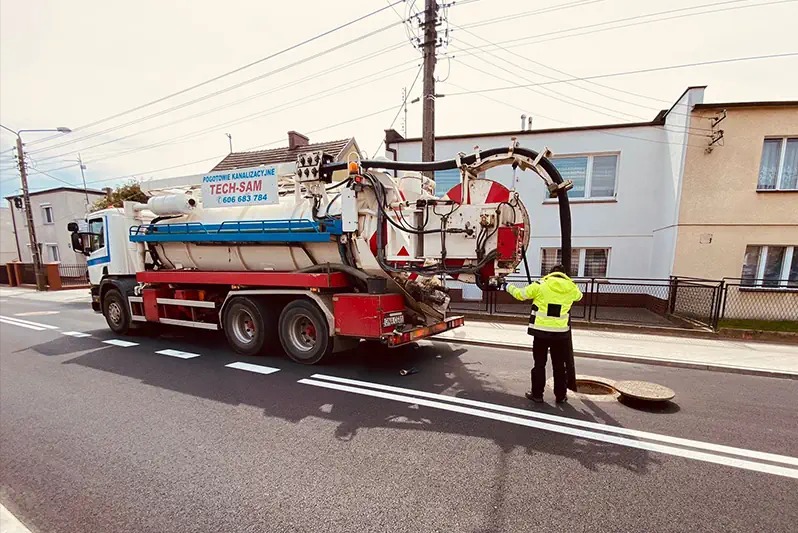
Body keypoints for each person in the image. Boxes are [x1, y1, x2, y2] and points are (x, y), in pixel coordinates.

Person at [506, 264, 583, 404]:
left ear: (550, 273)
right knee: (559, 366)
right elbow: (579, 297)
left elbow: (520, 294)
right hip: (560, 335)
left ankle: (537, 395)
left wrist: (507, 286)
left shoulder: (540, 285)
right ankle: (560, 396)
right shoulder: (571, 287)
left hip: (540, 333)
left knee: (539, 364)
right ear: (564, 274)